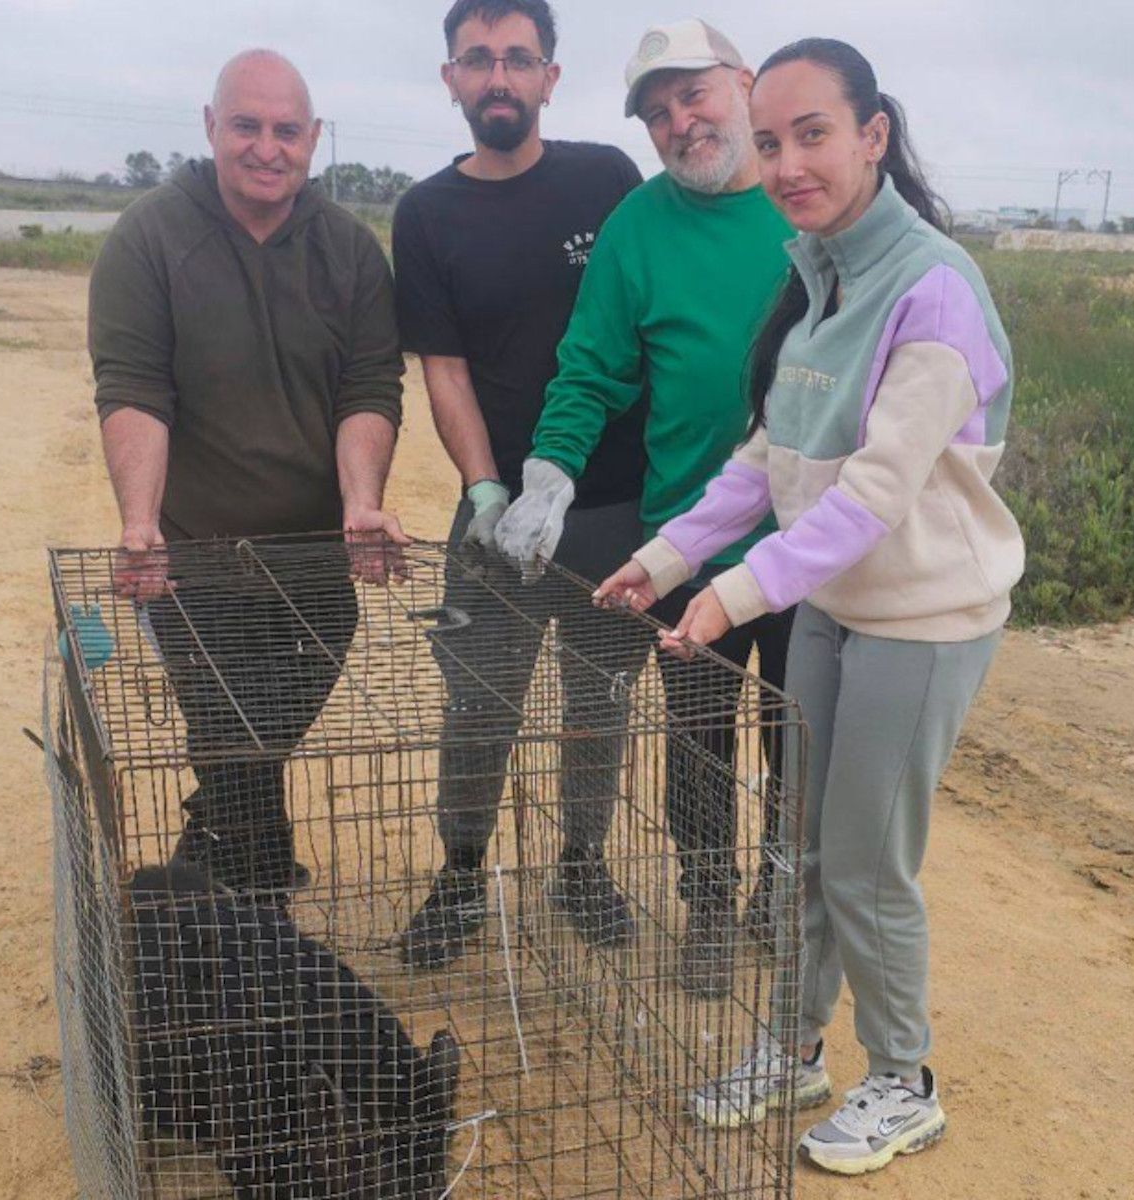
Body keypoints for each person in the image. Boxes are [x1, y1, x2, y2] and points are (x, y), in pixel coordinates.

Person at [595, 38, 1024, 1175]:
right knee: (799, 846)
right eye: (773, 140)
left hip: (921, 618)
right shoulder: (817, 274)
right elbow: (761, 462)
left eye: (814, 135)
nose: (787, 162)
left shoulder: (931, 289)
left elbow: (874, 498)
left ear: (874, 134)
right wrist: (666, 559)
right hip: (835, 606)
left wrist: (731, 596)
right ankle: (791, 1044)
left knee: (866, 860)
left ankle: (902, 1079)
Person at [492, 18, 796, 997]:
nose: (680, 122)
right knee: (699, 737)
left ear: (744, 83)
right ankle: (710, 905)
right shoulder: (639, 226)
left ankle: (785, 898)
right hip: (690, 538)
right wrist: (550, 472)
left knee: (799, 735)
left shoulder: (808, 204)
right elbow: (589, 372)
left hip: (813, 539)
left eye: (694, 95)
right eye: (658, 112)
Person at [88, 49, 407, 896]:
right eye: (247, 127)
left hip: (314, 561)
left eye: (286, 131)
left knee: (255, 735)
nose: (268, 148)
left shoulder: (349, 251)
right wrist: (139, 522)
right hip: (198, 555)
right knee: (227, 729)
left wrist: (361, 504)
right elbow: (132, 389)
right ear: (209, 127)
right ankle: (252, 899)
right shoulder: (150, 237)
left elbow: (369, 390)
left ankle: (216, 841)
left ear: (312, 138)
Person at [389, 0, 654, 969]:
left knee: (598, 701)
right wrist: (486, 490)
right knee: (477, 702)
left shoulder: (607, 180)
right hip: (495, 509)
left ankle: (581, 864)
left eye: (516, 58)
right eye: (477, 60)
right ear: (450, 78)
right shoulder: (423, 214)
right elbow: (445, 368)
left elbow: (644, 324)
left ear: (550, 75)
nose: (497, 77)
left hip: (613, 503)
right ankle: (458, 879)